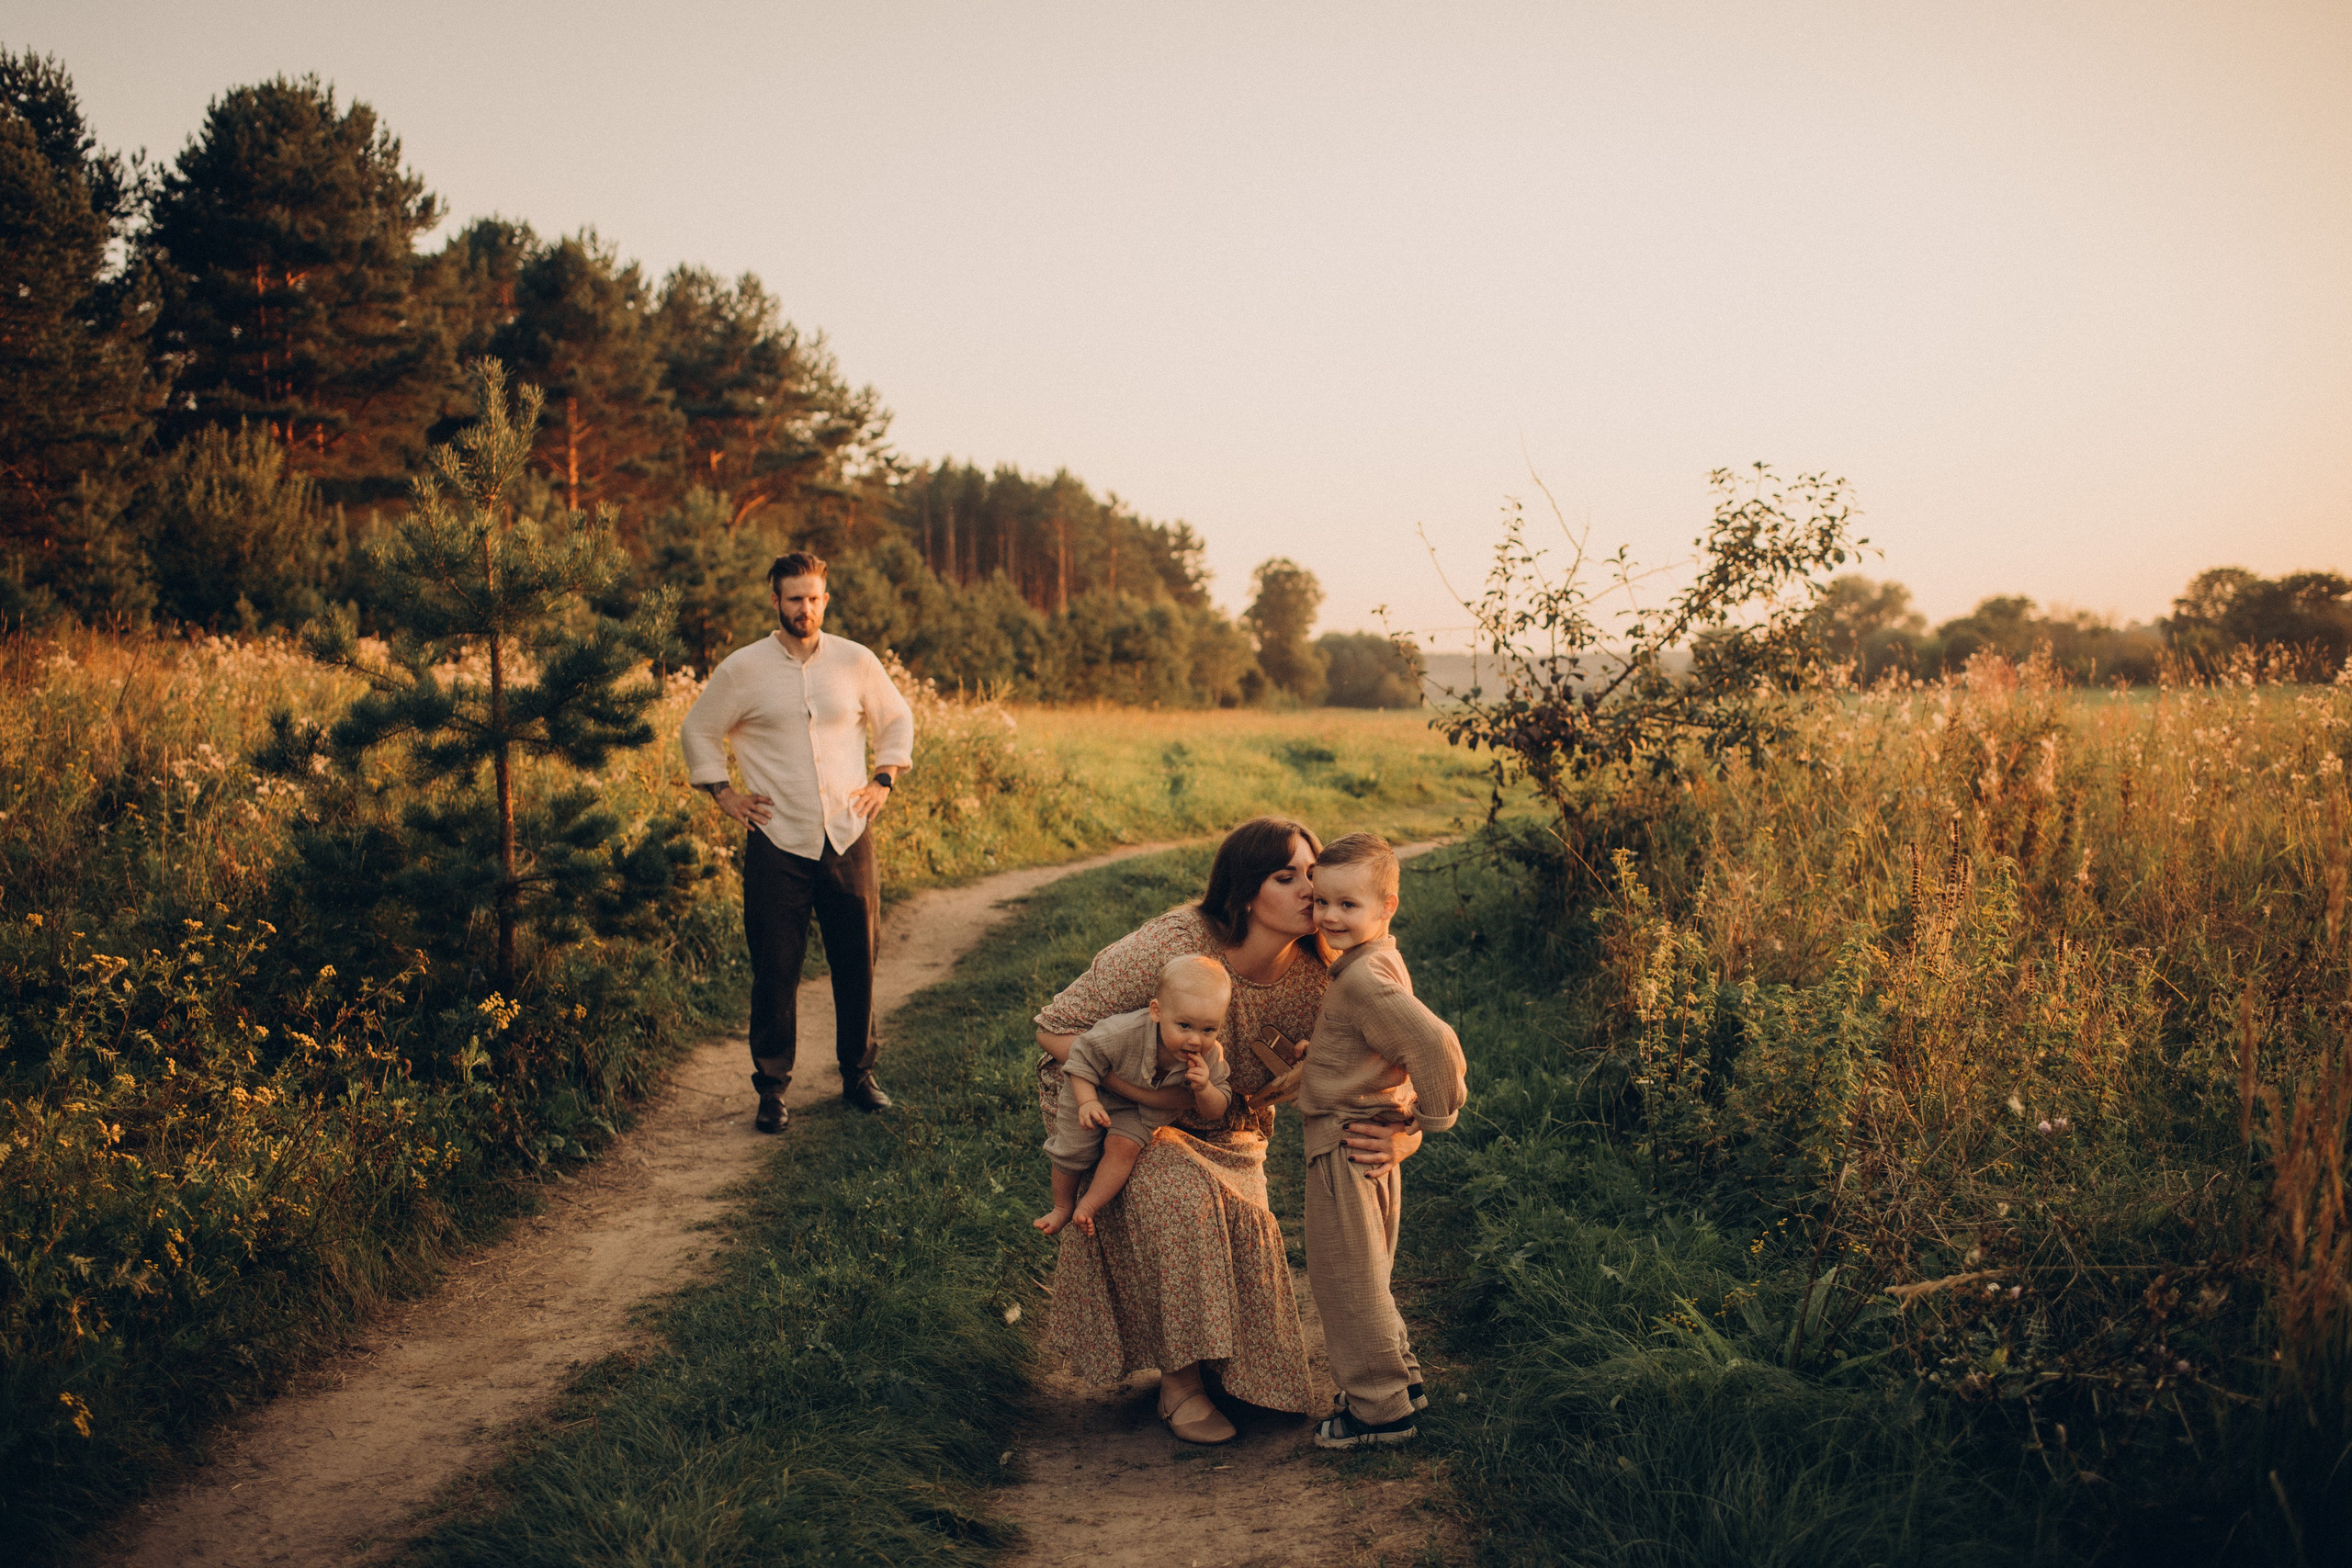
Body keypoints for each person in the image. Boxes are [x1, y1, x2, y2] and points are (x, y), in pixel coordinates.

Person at [1033, 817, 1424, 1446]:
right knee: (1177, 1196)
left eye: (1313, 872)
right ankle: (1179, 1384)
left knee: (1246, 1216)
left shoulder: (1324, 972)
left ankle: (1234, 1365)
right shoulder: (1174, 946)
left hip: (1226, 1122)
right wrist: (1145, 1092)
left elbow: (1390, 1061)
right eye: (1286, 875)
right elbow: (1055, 1027)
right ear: (1244, 892)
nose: (1309, 885)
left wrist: (1408, 1131)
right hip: (1116, 1112)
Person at [679, 550, 915, 1133]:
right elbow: (698, 729)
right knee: (775, 968)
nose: (803, 609)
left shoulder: (855, 663)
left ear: (824, 600)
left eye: (812, 599)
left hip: (847, 833)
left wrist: (883, 778)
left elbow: (898, 719)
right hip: (776, 841)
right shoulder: (743, 669)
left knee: (856, 961)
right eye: (793, 599)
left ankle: (858, 1078)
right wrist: (724, 795)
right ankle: (772, 1090)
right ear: (775, 600)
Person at [1297, 833, 1468, 1450]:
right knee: (1368, 1269)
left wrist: (1432, 1115)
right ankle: (1401, 1379)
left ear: (1387, 904)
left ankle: (1380, 1412)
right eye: (1321, 903)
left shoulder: (1364, 978)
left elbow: (1432, 1042)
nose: (1330, 917)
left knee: (1346, 1279)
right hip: (1365, 1135)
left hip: (1347, 1141)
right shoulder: (1378, 959)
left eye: (1348, 904)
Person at [1035, 955, 1233, 1237]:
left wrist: (1205, 1089)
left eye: (1208, 1030)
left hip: (1141, 1113)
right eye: (1184, 1026)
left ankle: (1088, 1206)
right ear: (1157, 1011)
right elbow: (1081, 1055)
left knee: (1124, 1149)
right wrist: (1087, 1100)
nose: (1195, 1040)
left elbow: (1217, 1108)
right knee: (1073, 1149)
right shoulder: (1122, 1032)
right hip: (1097, 1093)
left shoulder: (1211, 1056)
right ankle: (1062, 1206)